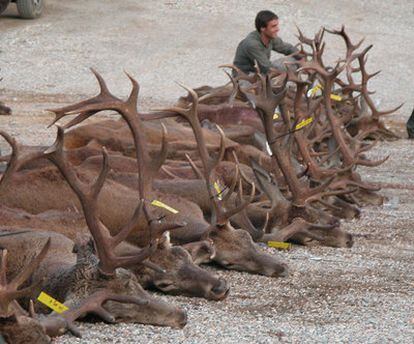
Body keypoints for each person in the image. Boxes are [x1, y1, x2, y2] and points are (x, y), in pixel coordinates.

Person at [233, 10, 299, 75]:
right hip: (246, 76)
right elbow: (267, 68)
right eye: (273, 26)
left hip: (261, 70)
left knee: (293, 61)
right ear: (262, 28)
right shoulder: (252, 44)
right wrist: (287, 74)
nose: (277, 29)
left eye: (277, 25)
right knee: (280, 76)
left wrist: (302, 59)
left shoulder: (271, 37)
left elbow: (288, 49)